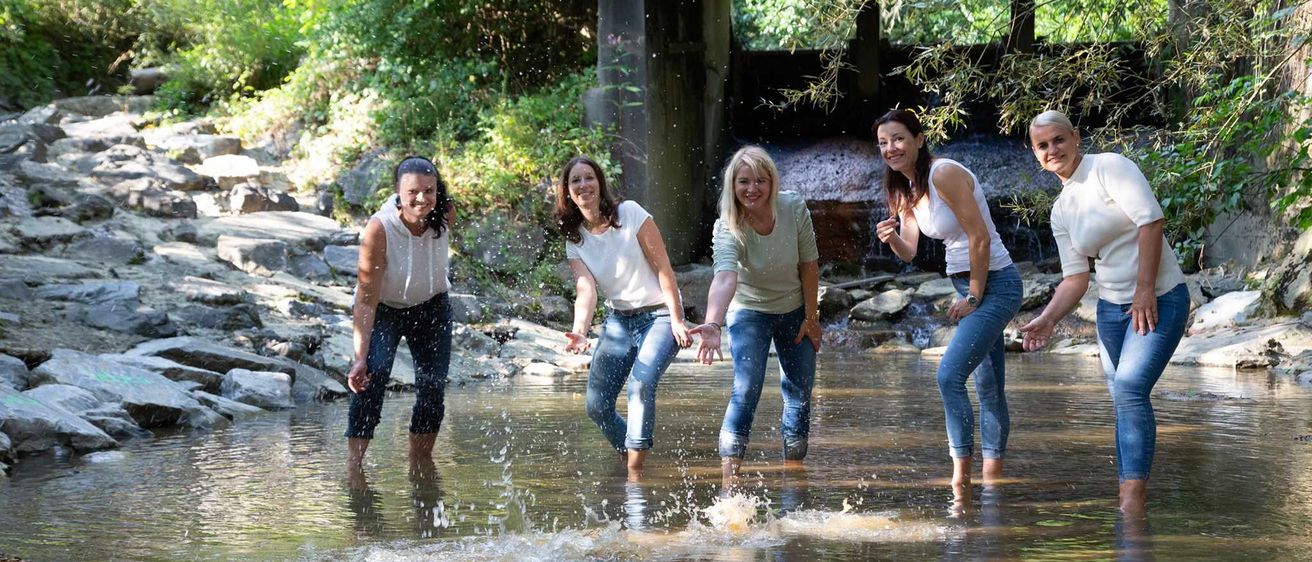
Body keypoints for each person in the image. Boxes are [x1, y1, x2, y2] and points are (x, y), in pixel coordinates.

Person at [1020, 109, 1189, 516]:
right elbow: (1076, 279)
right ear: (1035, 154)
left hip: (1160, 297)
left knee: (1130, 387)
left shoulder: (1109, 167)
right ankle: (1127, 501)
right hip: (1111, 312)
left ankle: (1132, 507)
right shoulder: (1061, 209)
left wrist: (1145, 289)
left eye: (1058, 139)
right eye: (1042, 145)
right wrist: (1048, 318)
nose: (1052, 149)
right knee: (1122, 398)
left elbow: (1151, 222)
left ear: (1076, 137)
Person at [872, 109, 1023, 504]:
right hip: (965, 282)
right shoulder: (905, 187)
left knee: (949, 376)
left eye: (899, 138)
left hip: (996, 284)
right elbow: (909, 252)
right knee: (988, 387)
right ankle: (993, 484)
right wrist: (889, 239)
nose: (891, 148)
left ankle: (960, 483)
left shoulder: (944, 173)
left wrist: (973, 295)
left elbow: (979, 238)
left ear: (920, 139)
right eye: (884, 142)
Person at [690, 145, 821, 482]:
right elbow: (724, 276)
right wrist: (713, 323)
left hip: (795, 308)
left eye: (760, 181)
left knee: (800, 391)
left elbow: (809, 265)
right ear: (733, 185)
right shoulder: (727, 224)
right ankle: (728, 483)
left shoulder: (793, 207)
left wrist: (812, 318)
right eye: (744, 181)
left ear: (772, 182)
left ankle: (794, 477)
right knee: (746, 388)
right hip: (749, 311)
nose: (752, 189)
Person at [556, 155, 692, 475]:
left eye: (589, 177)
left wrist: (677, 318)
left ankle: (635, 476)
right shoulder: (575, 239)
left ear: (600, 183)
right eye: (576, 180)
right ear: (568, 192)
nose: (583, 185)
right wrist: (580, 331)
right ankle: (632, 454)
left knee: (639, 385)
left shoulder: (630, 213)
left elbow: (663, 268)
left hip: (658, 316)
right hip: (618, 321)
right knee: (597, 407)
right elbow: (586, 290)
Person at [345, 155, 456, 470]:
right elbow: (366, 298)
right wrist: (360, 358)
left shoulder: (446, 213)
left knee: (432, 387)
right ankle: (354, 467)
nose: (422, 199)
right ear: (398, 192)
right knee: (372, 379)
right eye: (413, 192)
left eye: (429, 191)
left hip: (433, 307)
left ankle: (421, 466)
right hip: (385, 310)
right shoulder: (380, 228)